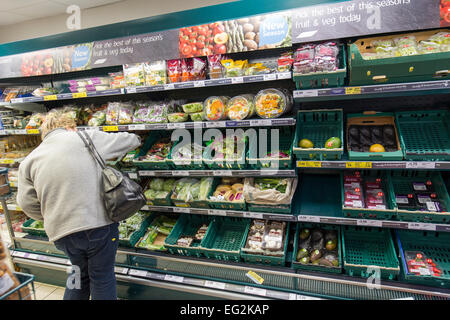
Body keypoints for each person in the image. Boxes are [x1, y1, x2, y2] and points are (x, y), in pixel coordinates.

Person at [16, 111, 141, 300]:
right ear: (70, 127)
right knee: (102, 276)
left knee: (78, 275)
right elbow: (130, 140)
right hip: (98, 226)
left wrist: (53, 213)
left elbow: (26, 203)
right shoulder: (85, 137)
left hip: (63, 234)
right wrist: (137, 135)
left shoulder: (29, 160)